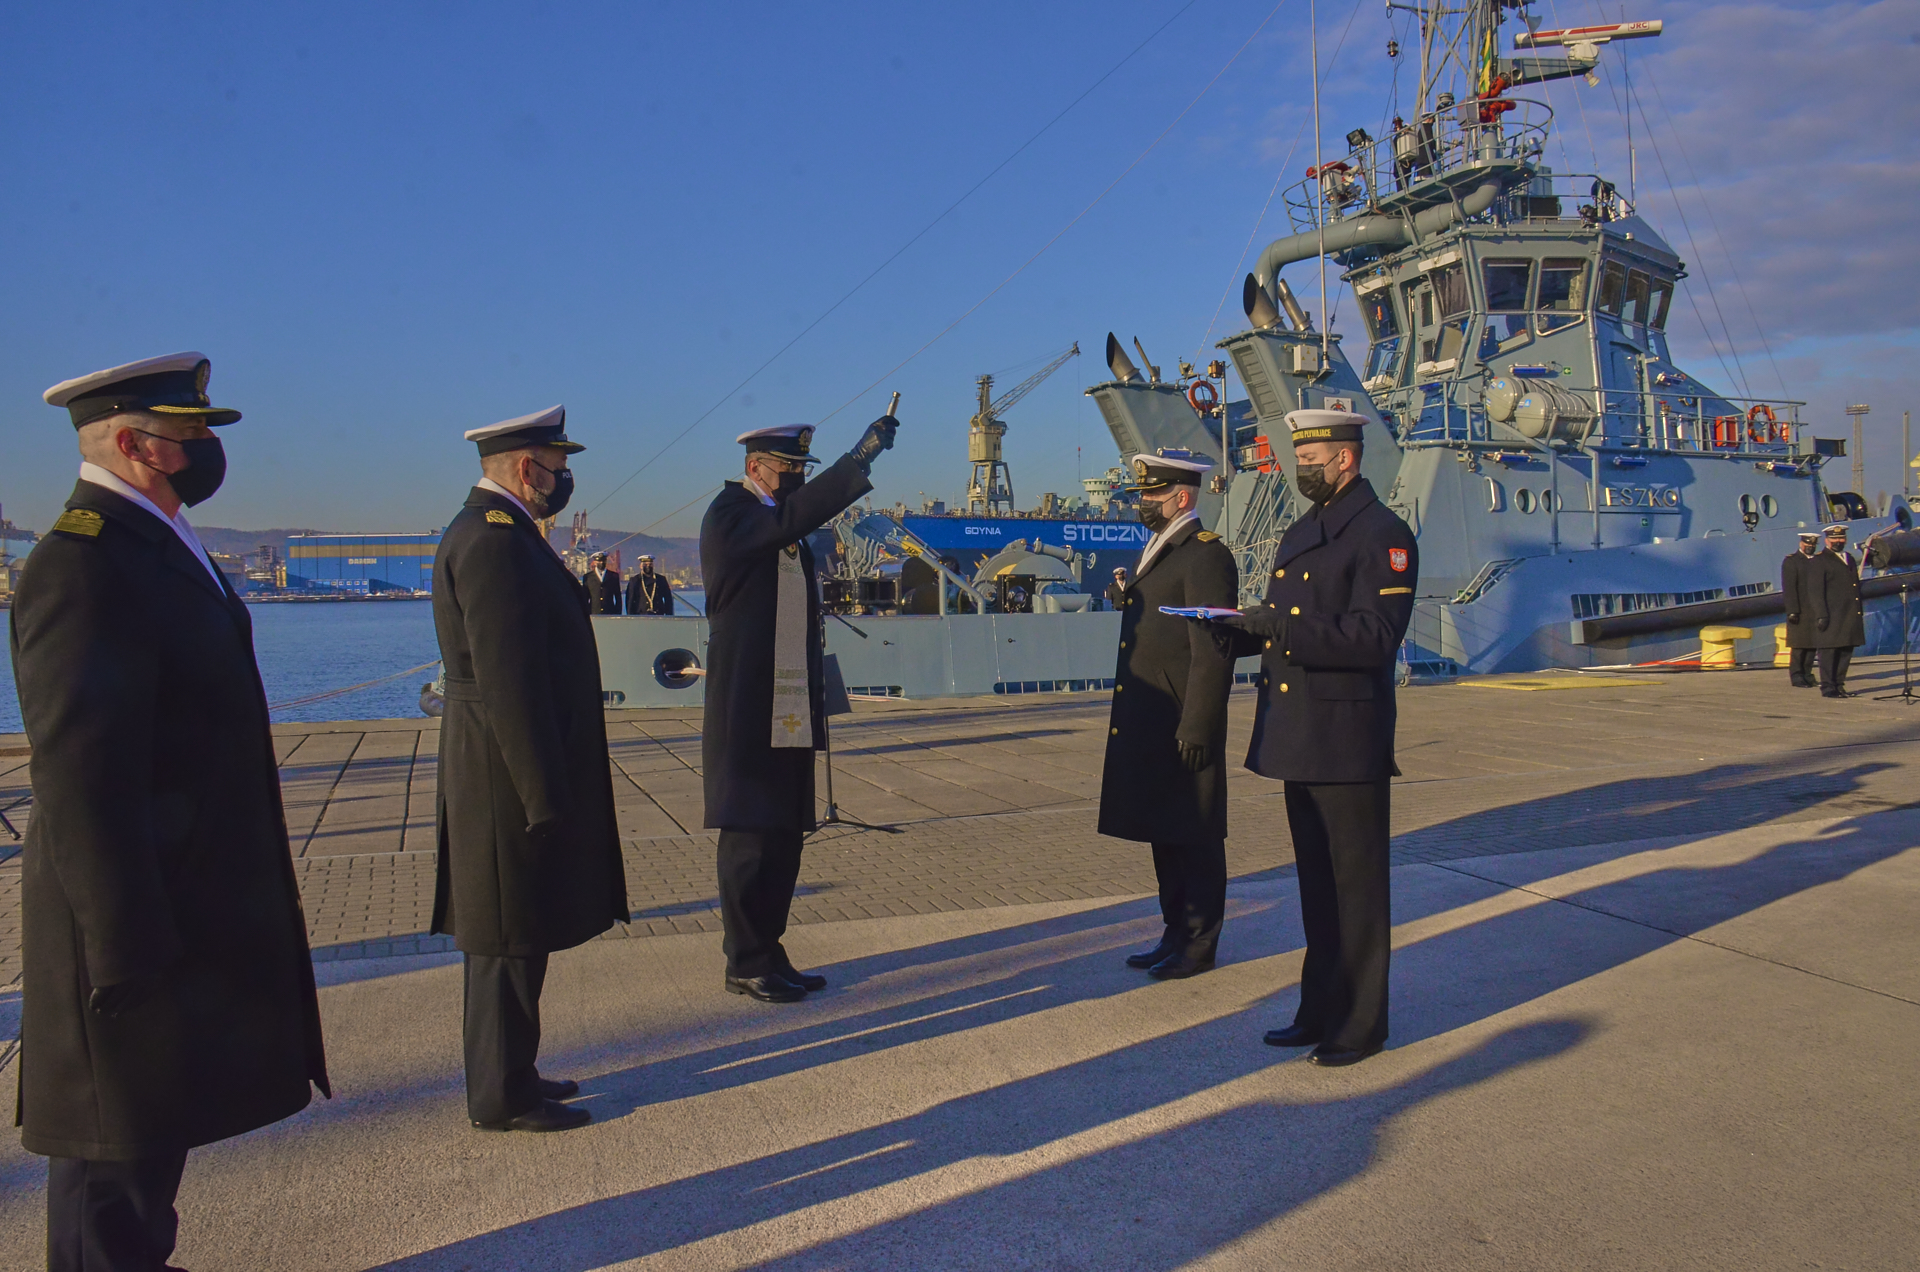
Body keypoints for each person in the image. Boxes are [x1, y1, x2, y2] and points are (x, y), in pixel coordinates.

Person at [15, 352, 330, 1271]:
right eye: (190, 431)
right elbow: (80, 773)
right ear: (129, 441)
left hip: (176, 890)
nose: (206, 445)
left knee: (155, 1126)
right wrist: (119, 946)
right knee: (110, 1146)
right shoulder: (81, 561)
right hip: (122, 910)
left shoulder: (158, 540)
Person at [430, 404, 629, 1132]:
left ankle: (517, 1070)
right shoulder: (492, 543)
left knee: (523, 931)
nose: (564, 476)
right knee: (506, 938)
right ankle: (500, 1096)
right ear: (526, 468)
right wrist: (544, 794)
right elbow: (509, 679)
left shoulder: (508, 534)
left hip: (506, 765)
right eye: (557, 463)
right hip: (502, 775)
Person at [1202, 409, 1416, 1067]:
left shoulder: (1382, 534)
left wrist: (1278, 628)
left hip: (1347, 739)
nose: (1302, 469)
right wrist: (1234, 631)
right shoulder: (1306, 530)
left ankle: (1361, 1023)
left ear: (1346, 458)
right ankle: (1318, 1008)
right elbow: (1287, 624)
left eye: (1312, 457)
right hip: (1302, 734)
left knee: (1356, 890)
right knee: (1318, 888)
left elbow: (1375, 637)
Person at [701, 415, 896, 1002]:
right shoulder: (732, 515)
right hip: (747, 703)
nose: (794, 479)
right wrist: (857, 461)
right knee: (750, 835)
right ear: (756, 465)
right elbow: (789, 520)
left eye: (800, 471)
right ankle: (743, 958)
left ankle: (771, 948)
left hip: (787, 701)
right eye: (789, 469)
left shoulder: (775, 521)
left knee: (786, 831)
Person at [1100, 454, 1238, 979]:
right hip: (1155, 719)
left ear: (1182, 498)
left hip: (1184, 718)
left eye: (1153, 495)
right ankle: (1173, 930)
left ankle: (1200, 943)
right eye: (1142, 494)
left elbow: (1213, 647)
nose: (1143, 503)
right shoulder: (1158, 551)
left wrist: (1200, 723)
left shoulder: (1204, 556)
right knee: (1165, 831)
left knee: (1195, 836)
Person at [1811, 522, 1865, 698]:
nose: (1838, 541)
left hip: (1849, 613)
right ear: (1827, 540)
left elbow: (1855, 586)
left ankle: (1839, 684)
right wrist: (1821, 614)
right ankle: (1828, 686)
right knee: (1829, 652)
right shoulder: (1820, 560)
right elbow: (1815, 591)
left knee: (1845, 651)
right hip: (1831, 614)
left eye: (1841, 538)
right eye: (1834, 538)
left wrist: (1858, 610)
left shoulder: (1848, 558)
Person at [1781, 531, 1821, 688]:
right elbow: (1789, 588)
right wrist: (1792, 610)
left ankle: (1808, 674)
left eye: (1812, 545)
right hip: (1799, 609)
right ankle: (1797, 675)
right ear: (1801, 544)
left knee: (1812, 645)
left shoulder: (1817, 561)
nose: (1809, 547)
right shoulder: (1792, 562)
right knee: (1799, 646)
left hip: (1815, 609)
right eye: (1807, 544)